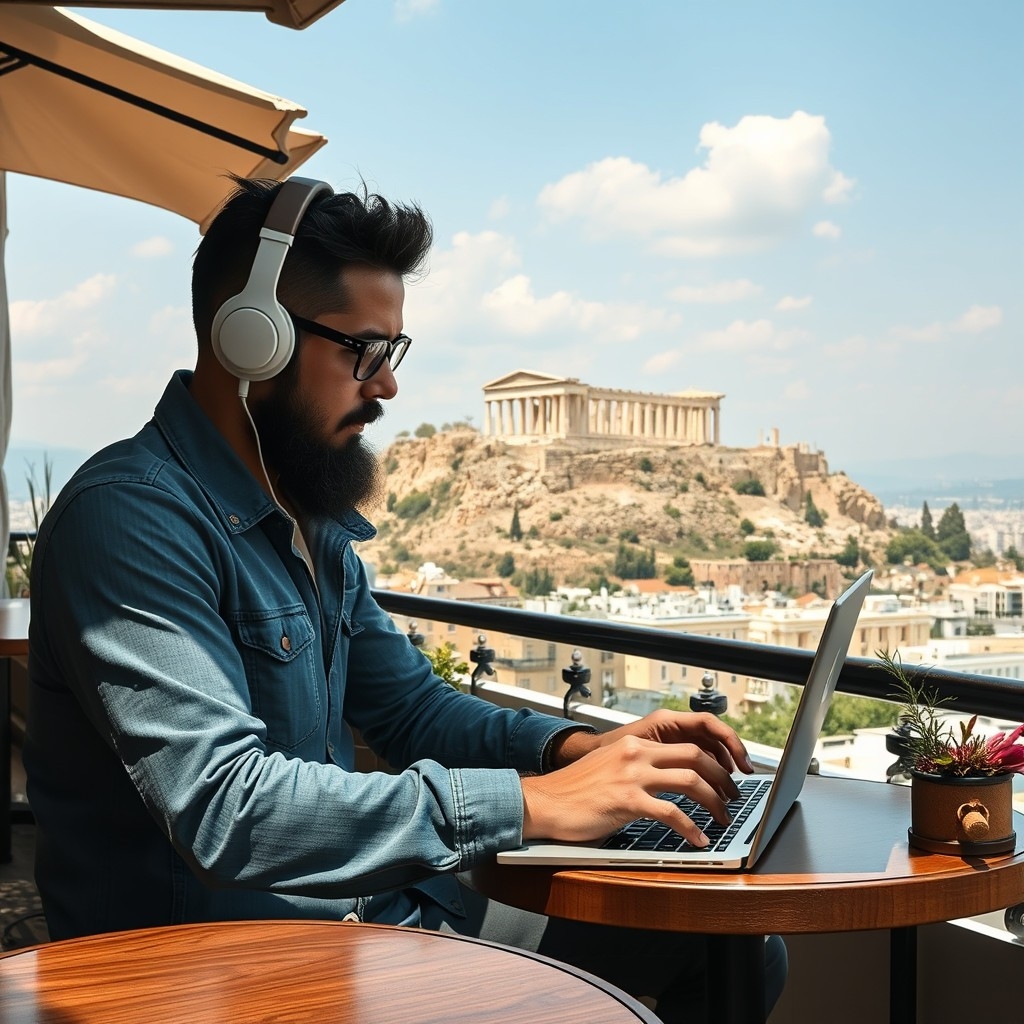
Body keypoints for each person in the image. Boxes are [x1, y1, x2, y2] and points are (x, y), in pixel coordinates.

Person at [24, 176, 786, 1020]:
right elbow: (225, 806)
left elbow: (413, 710)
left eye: (393, 352)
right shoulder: (129, 521)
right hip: (219, 976)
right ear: (252, 342)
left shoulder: (305, 517)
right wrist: (529, 804)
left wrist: (578, 750)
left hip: (375, 926)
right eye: (363, 352)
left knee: (735, 955)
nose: (386, 388)